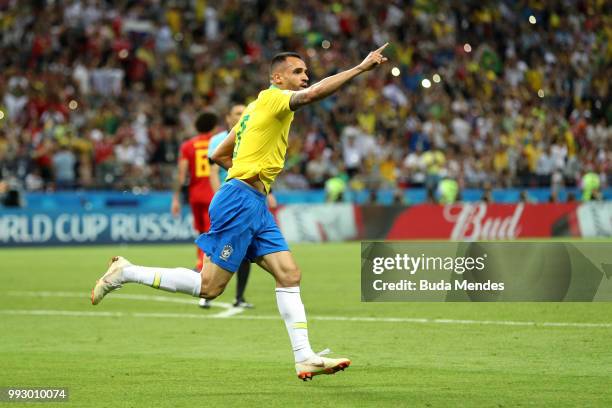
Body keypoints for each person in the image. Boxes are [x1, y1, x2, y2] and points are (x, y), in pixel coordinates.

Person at [92, 43, 390, 380]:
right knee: (210, 288)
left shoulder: (253, 110)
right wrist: (360, 68)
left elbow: (218, 153)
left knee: (289, 274)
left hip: (253, 201)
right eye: (297, 72)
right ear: (277, 78)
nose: (305, 77)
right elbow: (311, 96)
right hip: (240, 200)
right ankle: (126, 272)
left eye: (307, 72)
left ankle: (304, 356)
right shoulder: (275, 97)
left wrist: (248, 173)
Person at [202, 102, 258, 309]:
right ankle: (204, 292)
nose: (241, 116)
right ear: (227, 117)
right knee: (216, 245)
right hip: (228, 199)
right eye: (237, 113)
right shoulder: (217, 140)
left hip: (248, 199)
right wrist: (220, 197)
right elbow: (213, 171)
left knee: (245, 248)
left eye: (244, 113)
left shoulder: (252, 138)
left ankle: (239, 298)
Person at [171, 111, 218, 272]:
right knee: (211, 230)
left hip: (195, 194)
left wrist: (176, 198)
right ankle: (204, 264)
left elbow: (181, 175)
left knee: (200, 230)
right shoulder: (218, 142)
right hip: (213, 193)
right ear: (213, 127)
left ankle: (200, 261)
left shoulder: (187, 146)